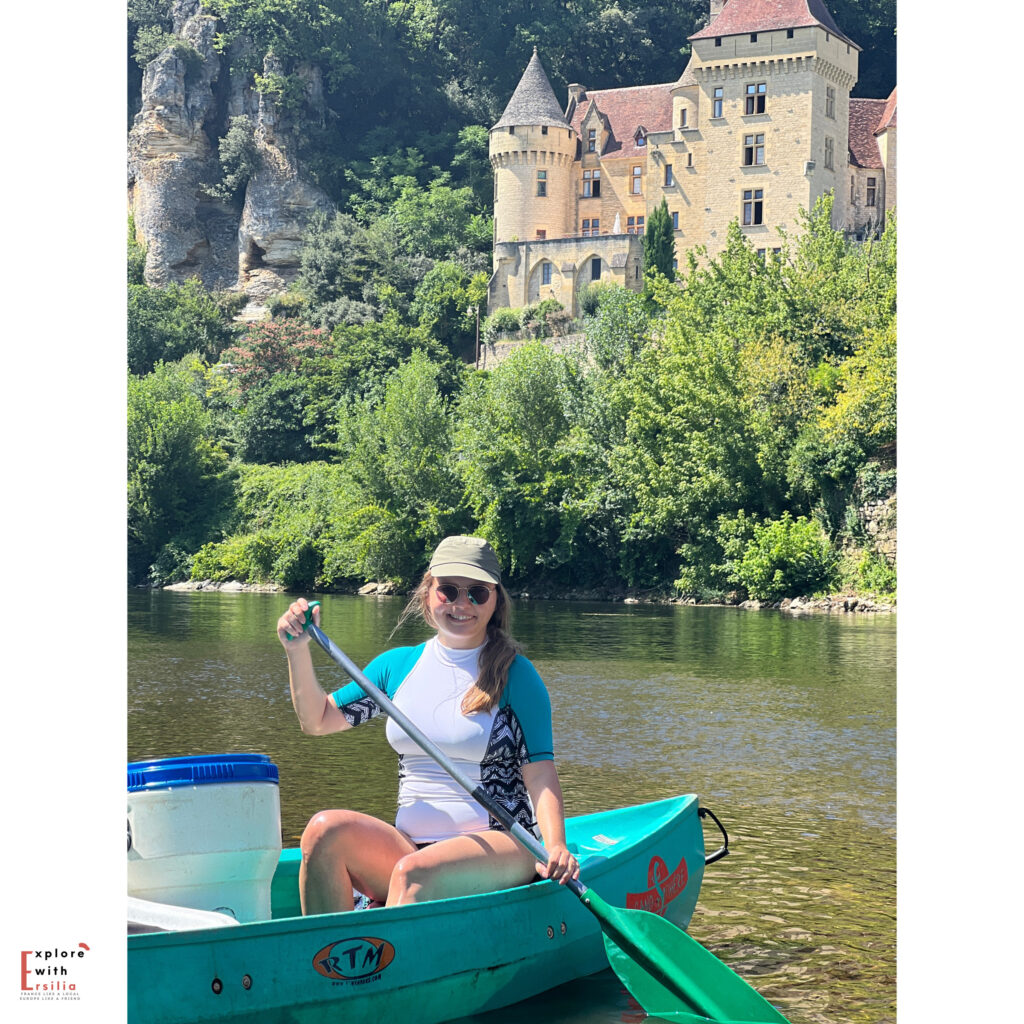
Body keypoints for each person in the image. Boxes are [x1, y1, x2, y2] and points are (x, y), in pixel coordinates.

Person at [276, 535, 580, 914]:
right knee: (323, 832)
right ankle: (329, 960)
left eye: (477, 593)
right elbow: (318, 720)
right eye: (449, 590)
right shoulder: (397, 667)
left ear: (496, 600)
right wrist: (297, 650)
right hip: (410, 847)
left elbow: (540, 772)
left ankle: (377, 961)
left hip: (503, 841)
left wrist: (555, 847)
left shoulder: (517, 676)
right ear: (428, 593)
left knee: (412, 874)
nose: (461, 604)